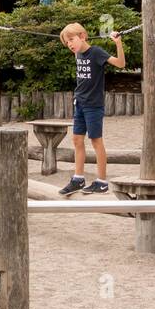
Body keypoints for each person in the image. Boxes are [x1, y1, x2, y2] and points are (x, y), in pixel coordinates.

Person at [58, 23, 125, 196]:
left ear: (83, 36)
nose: (70, 45)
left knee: (96, 141)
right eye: (67, 43)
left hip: (93, 105)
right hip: (79, 102)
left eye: (71, 40)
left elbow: (120, 64)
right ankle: (78, 179)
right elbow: (77, 50)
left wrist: (118, 43)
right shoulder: (78, 53)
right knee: (77, 140)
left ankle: (102, 182)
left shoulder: (96, 52)